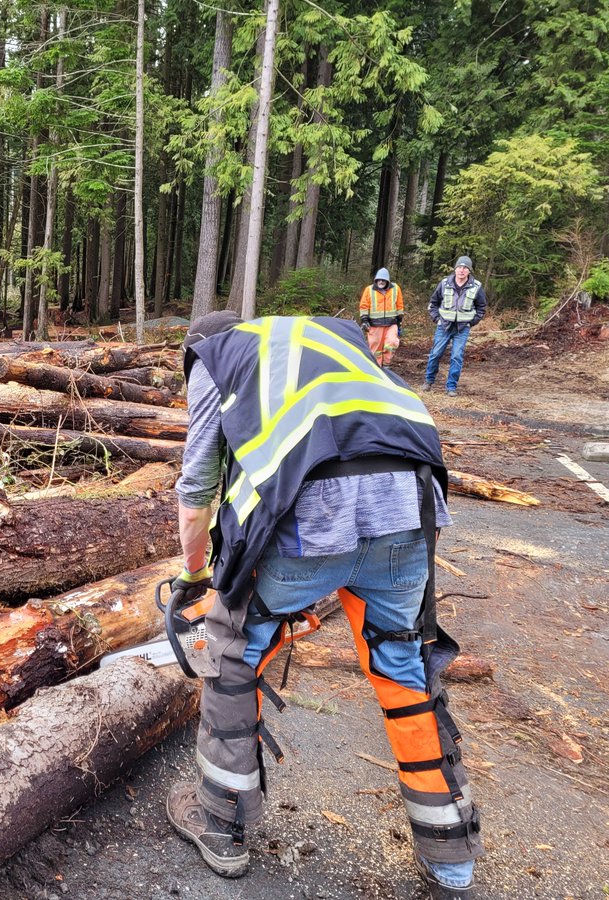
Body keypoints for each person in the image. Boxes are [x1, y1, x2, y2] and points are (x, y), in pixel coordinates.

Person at [166, 310, 483, 899]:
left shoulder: (215, 358)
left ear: (198, 349)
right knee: (404, 669)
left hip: (314, 517)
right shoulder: (322, 339)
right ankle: (451, 854)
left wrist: (196, 575)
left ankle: (221, 825)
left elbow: (196, 490)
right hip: (410, 507)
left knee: (231, 656)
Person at [424, 257, 487, 397]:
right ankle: (428, 381)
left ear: (469, 271)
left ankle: (451, 387)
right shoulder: (444, 283)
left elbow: (481, 307)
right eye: (459, 267)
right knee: (435, 354)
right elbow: (433, 303)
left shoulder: (476, 286)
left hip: (462, 328)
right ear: (455, 269)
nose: (462, 270)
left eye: (465, 268)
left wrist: (472, 322)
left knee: (457, 357)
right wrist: (436, 319)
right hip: (444, 326)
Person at [358, 267, 403, 367]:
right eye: (379, 280)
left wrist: (400, 320)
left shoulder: (395, 288)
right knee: (375, 347)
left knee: (391, 343)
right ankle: (376, 367)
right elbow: (364, 305)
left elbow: (399, 305)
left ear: (387, 280)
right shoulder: (369, 290)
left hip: (391, 323)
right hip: (374, 324)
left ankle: (386, 364)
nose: (381, 282)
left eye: (383, 280)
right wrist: (364, 320)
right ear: (376, 280)